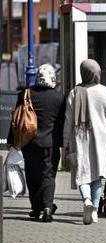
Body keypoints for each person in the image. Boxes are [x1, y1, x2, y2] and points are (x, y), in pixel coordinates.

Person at [63, 59, 106, 225]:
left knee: (82, 174)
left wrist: (65, 143)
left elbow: (68, 122)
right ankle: (95, 210)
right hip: (103, 141)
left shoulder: (74, 93)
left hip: (79, 139)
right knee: (99, 176)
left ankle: (87, 201)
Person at [7, 64, 66, 222]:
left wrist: (11, 140)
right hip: (50, 143)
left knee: (32, 175)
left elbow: (16, 120)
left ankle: (36, 208)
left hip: (29, 143)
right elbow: (62, 122)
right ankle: (47, 207)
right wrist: (64, 142)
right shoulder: (59, 97)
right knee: (48, 175)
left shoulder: (25, 94)